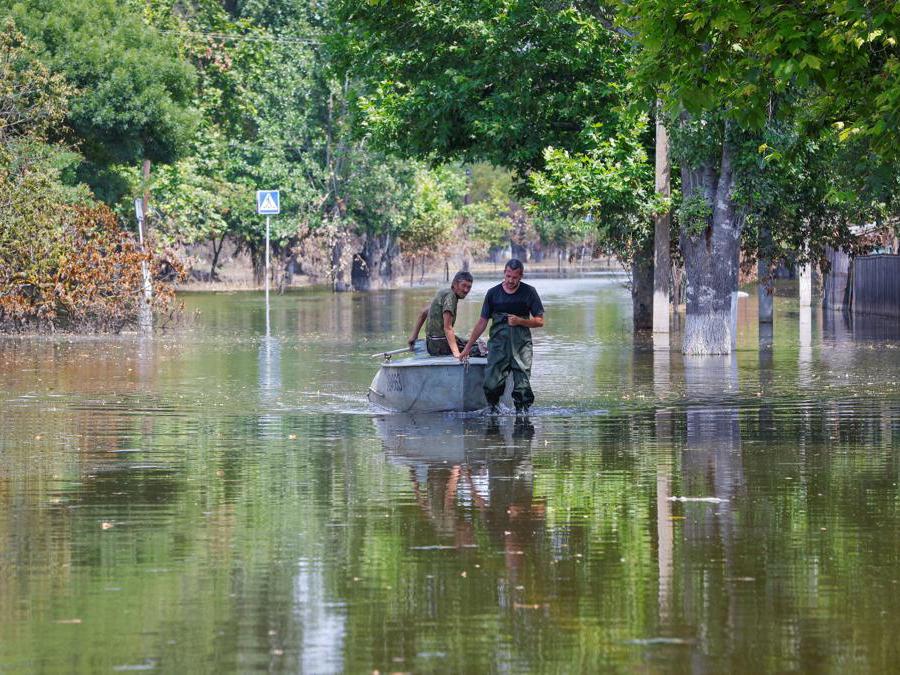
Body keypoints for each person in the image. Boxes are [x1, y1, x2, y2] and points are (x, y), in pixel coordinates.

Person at [460, 259, 544, 414]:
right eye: (508, 276)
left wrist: (520, 321)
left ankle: (523, 415)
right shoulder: (493, 293)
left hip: (521, 347)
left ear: (521, 276)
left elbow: (540, 321)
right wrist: (467, 348)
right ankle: (494, 412)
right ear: (504, 273)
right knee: (491, 385)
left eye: (515, 277)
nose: (510, 280)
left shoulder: (529, 292)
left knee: (523, 388)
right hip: (498, 347)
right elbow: (482, 323)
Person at [408, 271, 484, 358]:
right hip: (440, 346)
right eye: (463, 285)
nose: (466, 290)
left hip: (431, 343)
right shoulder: (451, 297)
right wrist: (456, 354)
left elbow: (424, 312)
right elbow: (448, 328)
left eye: (469, 287)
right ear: (455, 284)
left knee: (472, 343)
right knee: (481, 349)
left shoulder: (443, 292)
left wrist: (414, 336)